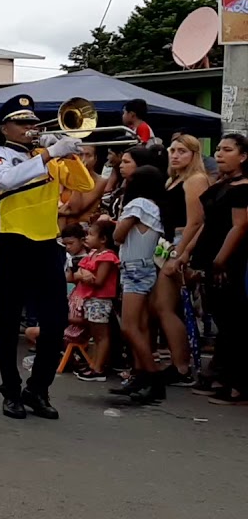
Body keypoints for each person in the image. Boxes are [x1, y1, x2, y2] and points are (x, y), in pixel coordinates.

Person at [0, 94, 94, 420]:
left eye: (32, 121)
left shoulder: (47, 157)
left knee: (56, 320)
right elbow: (7, 179)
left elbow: (83, 184)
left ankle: (38, 388)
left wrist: (68, 153)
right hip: (14, 242)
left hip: (47, 244)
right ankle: (11, 389)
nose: (30, 127)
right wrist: (49, 153)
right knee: (8, 320)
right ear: (5, 127)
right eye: (22, 122)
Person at [188, 134, 248, 404]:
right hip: (211, 259)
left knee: (234, 324)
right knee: (224, 322)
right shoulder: (223, 184)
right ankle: (223, 378)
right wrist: (187, 254)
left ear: (243, 156)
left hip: (231, 263)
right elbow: (206, 224)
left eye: (228, 150)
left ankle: (238, 386)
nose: (220, 154)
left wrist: (221, 260)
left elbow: (240, 225)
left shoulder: (242, 187)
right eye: (219, 149)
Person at [150, 134, 210, 388]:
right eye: (172, 150)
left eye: (182, 151)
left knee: (165, 306)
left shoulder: (195, 180)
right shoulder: (173, 180)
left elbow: (197, 221)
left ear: (194, 155)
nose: (175, 155)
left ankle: (181, 366)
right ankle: (178, 362)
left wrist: (182, 253)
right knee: (162, 306)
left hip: (178, 241)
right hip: (166, 243)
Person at [105, 165, 166, 403]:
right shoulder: (154, 206)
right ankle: (141, 376)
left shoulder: (138, 204)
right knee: (140, 326)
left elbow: (118, 236)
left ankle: (152, 377)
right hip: (146, 264)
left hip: (134, 267)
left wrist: (113, 223)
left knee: (129, 326)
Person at [70, 221, 119, 382]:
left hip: (100, 300)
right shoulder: (92, 254)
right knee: (96, 335)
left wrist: (85, 276)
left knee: (101, 335)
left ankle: (99, 367)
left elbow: (99, 281)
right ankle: (94, 364)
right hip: (89, 299)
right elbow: (77, 272)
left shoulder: (108, 257)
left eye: (91, 234)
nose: (87, 237)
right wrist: (84, 274)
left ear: (103, 239)